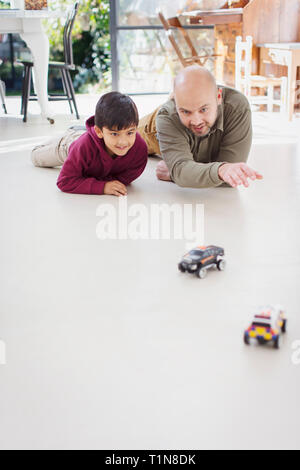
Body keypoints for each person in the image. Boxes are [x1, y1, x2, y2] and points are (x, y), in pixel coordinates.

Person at [138, 65, 263, 189]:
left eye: (203, 109)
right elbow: (182, 171)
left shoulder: (236, 107)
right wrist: (180, 173)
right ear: (176, 104)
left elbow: (230, 178)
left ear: (219, 97)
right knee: (124, 137)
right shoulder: (167, 116)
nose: (196, 121)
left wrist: (175, 174)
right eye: (186, 111)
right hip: (155, 129)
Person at [31, 92, 148, 196]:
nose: (123, 141)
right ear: (99, 131)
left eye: (130, 132)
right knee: (35, 156)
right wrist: (102, 187)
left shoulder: (140, 149)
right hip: (70, 145)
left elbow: (125, 178)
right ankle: (69, 133)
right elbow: (64, 181)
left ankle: (80, 131)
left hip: (89, 141)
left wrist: (106, 182)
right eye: (114, 134)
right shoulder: (82, 147)